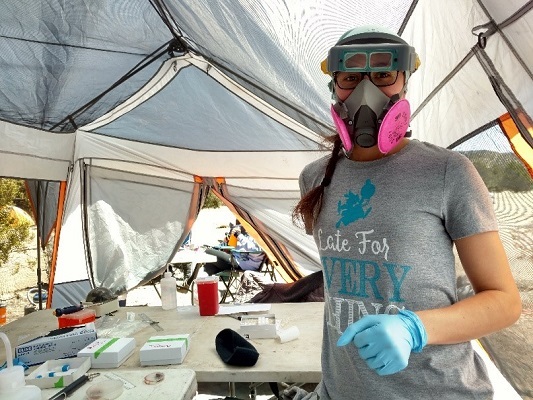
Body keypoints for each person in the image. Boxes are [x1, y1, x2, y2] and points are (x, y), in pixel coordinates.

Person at [292, 26, 521, 400]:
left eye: (383, 74)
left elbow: (504, 301)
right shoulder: (316, 178)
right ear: (333, 86)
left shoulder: (447, 172)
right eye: (350, 77)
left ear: (405, 82)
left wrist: (414, 328)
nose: (367, 91)